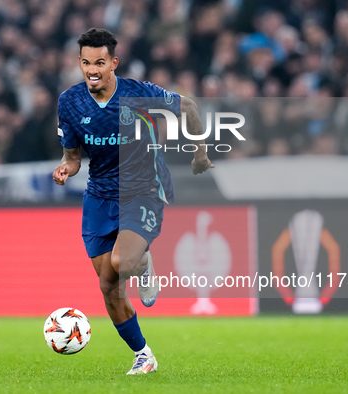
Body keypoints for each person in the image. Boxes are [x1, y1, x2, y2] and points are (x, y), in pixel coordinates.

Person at [53, 28, 213, 375]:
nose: (91, 69)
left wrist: (200, 153)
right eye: (85, 62)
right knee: (108, 285)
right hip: (99, 193)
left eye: (99, 62)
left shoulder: (138, 94)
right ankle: (144, 354)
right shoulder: (70, 102)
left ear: (113, 63)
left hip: (143, 188)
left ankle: (140, 261)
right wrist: (66, 168)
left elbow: (188, 106)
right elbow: (74, 156)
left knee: (121, 262)